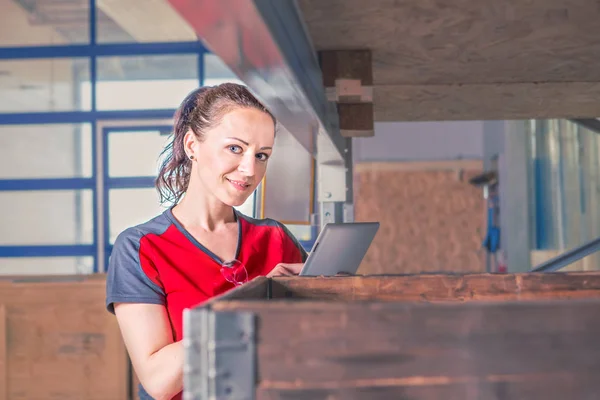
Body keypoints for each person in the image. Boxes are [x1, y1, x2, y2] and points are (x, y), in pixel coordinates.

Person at [105, 83, 308, 400]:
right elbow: (159, 382)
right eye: (235, 148)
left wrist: (322, 285)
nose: (249, 169)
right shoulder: (142, 247)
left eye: (262, 155)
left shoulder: (275, 238)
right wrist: (252, 302)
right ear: (192, 145)